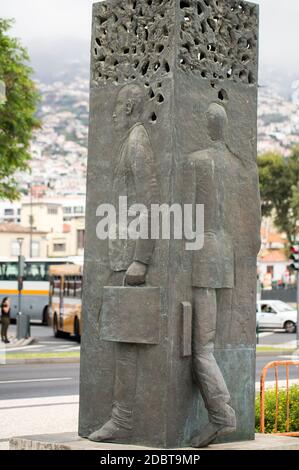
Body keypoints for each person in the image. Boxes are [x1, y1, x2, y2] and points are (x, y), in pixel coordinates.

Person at [88, 84, 159, 443]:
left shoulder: (137, 141)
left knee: (126, 339)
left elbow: (149, 200)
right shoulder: (129, 141)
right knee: (118, 336)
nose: (114, 113)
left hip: (130, 261)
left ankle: (124, 418)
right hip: (119, 255)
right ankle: (121, 416)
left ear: (131, 107)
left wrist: (141, 259)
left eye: (119, 107)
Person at [188, 103, 237, 447]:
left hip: (202, 256)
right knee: (209, 343)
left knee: (202, 348)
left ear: (207, 125)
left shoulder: (198, 161)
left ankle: (221, 414)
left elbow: (186, 214)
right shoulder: (235, 164)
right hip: (225, 256)